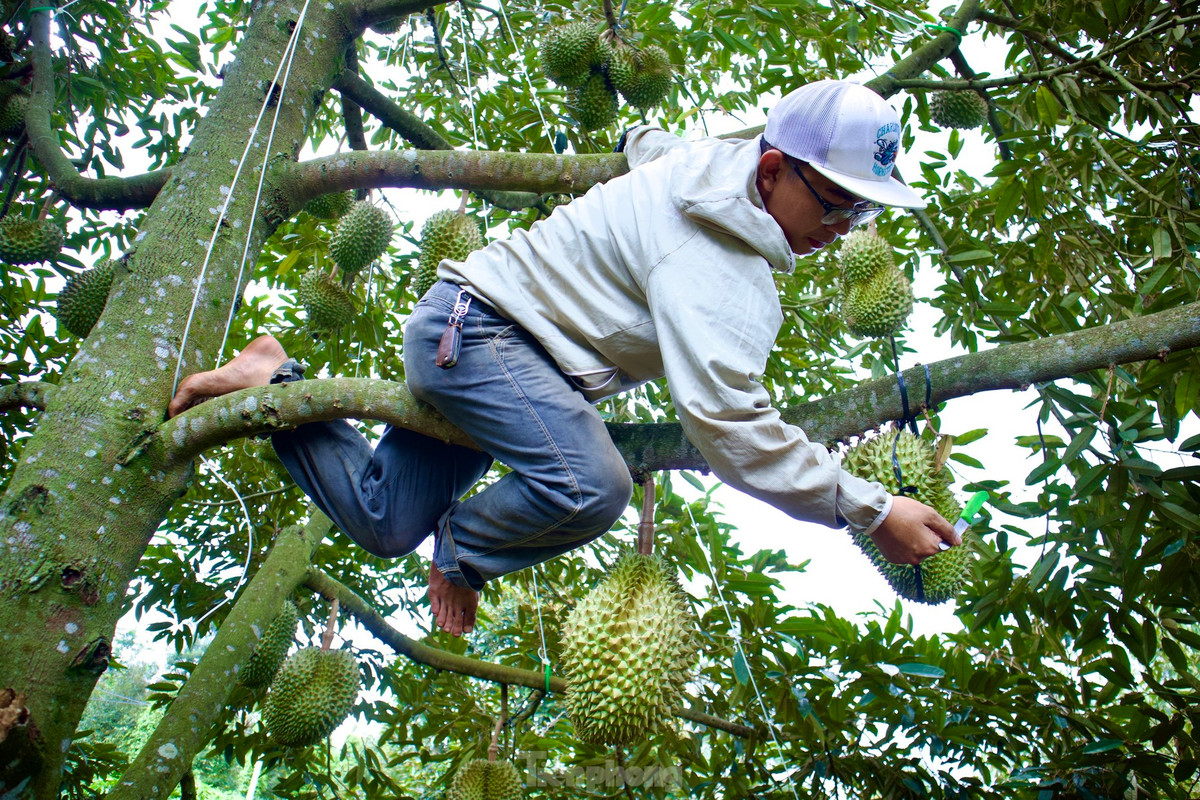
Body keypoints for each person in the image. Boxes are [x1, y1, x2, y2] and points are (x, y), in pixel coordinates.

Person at [168, 79, 960, 637]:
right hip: (482, 336)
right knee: (592, 486)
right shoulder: (718, 263)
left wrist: (628, 139)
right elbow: (728, 424)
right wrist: (871, 508)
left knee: (385, 521)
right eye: (835, 204)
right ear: (773, 170)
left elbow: (652, 145)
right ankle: (463, 551)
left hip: (507, 372)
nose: (841, 229)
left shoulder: (708, 161)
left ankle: (270, 377)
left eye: (861, 212)